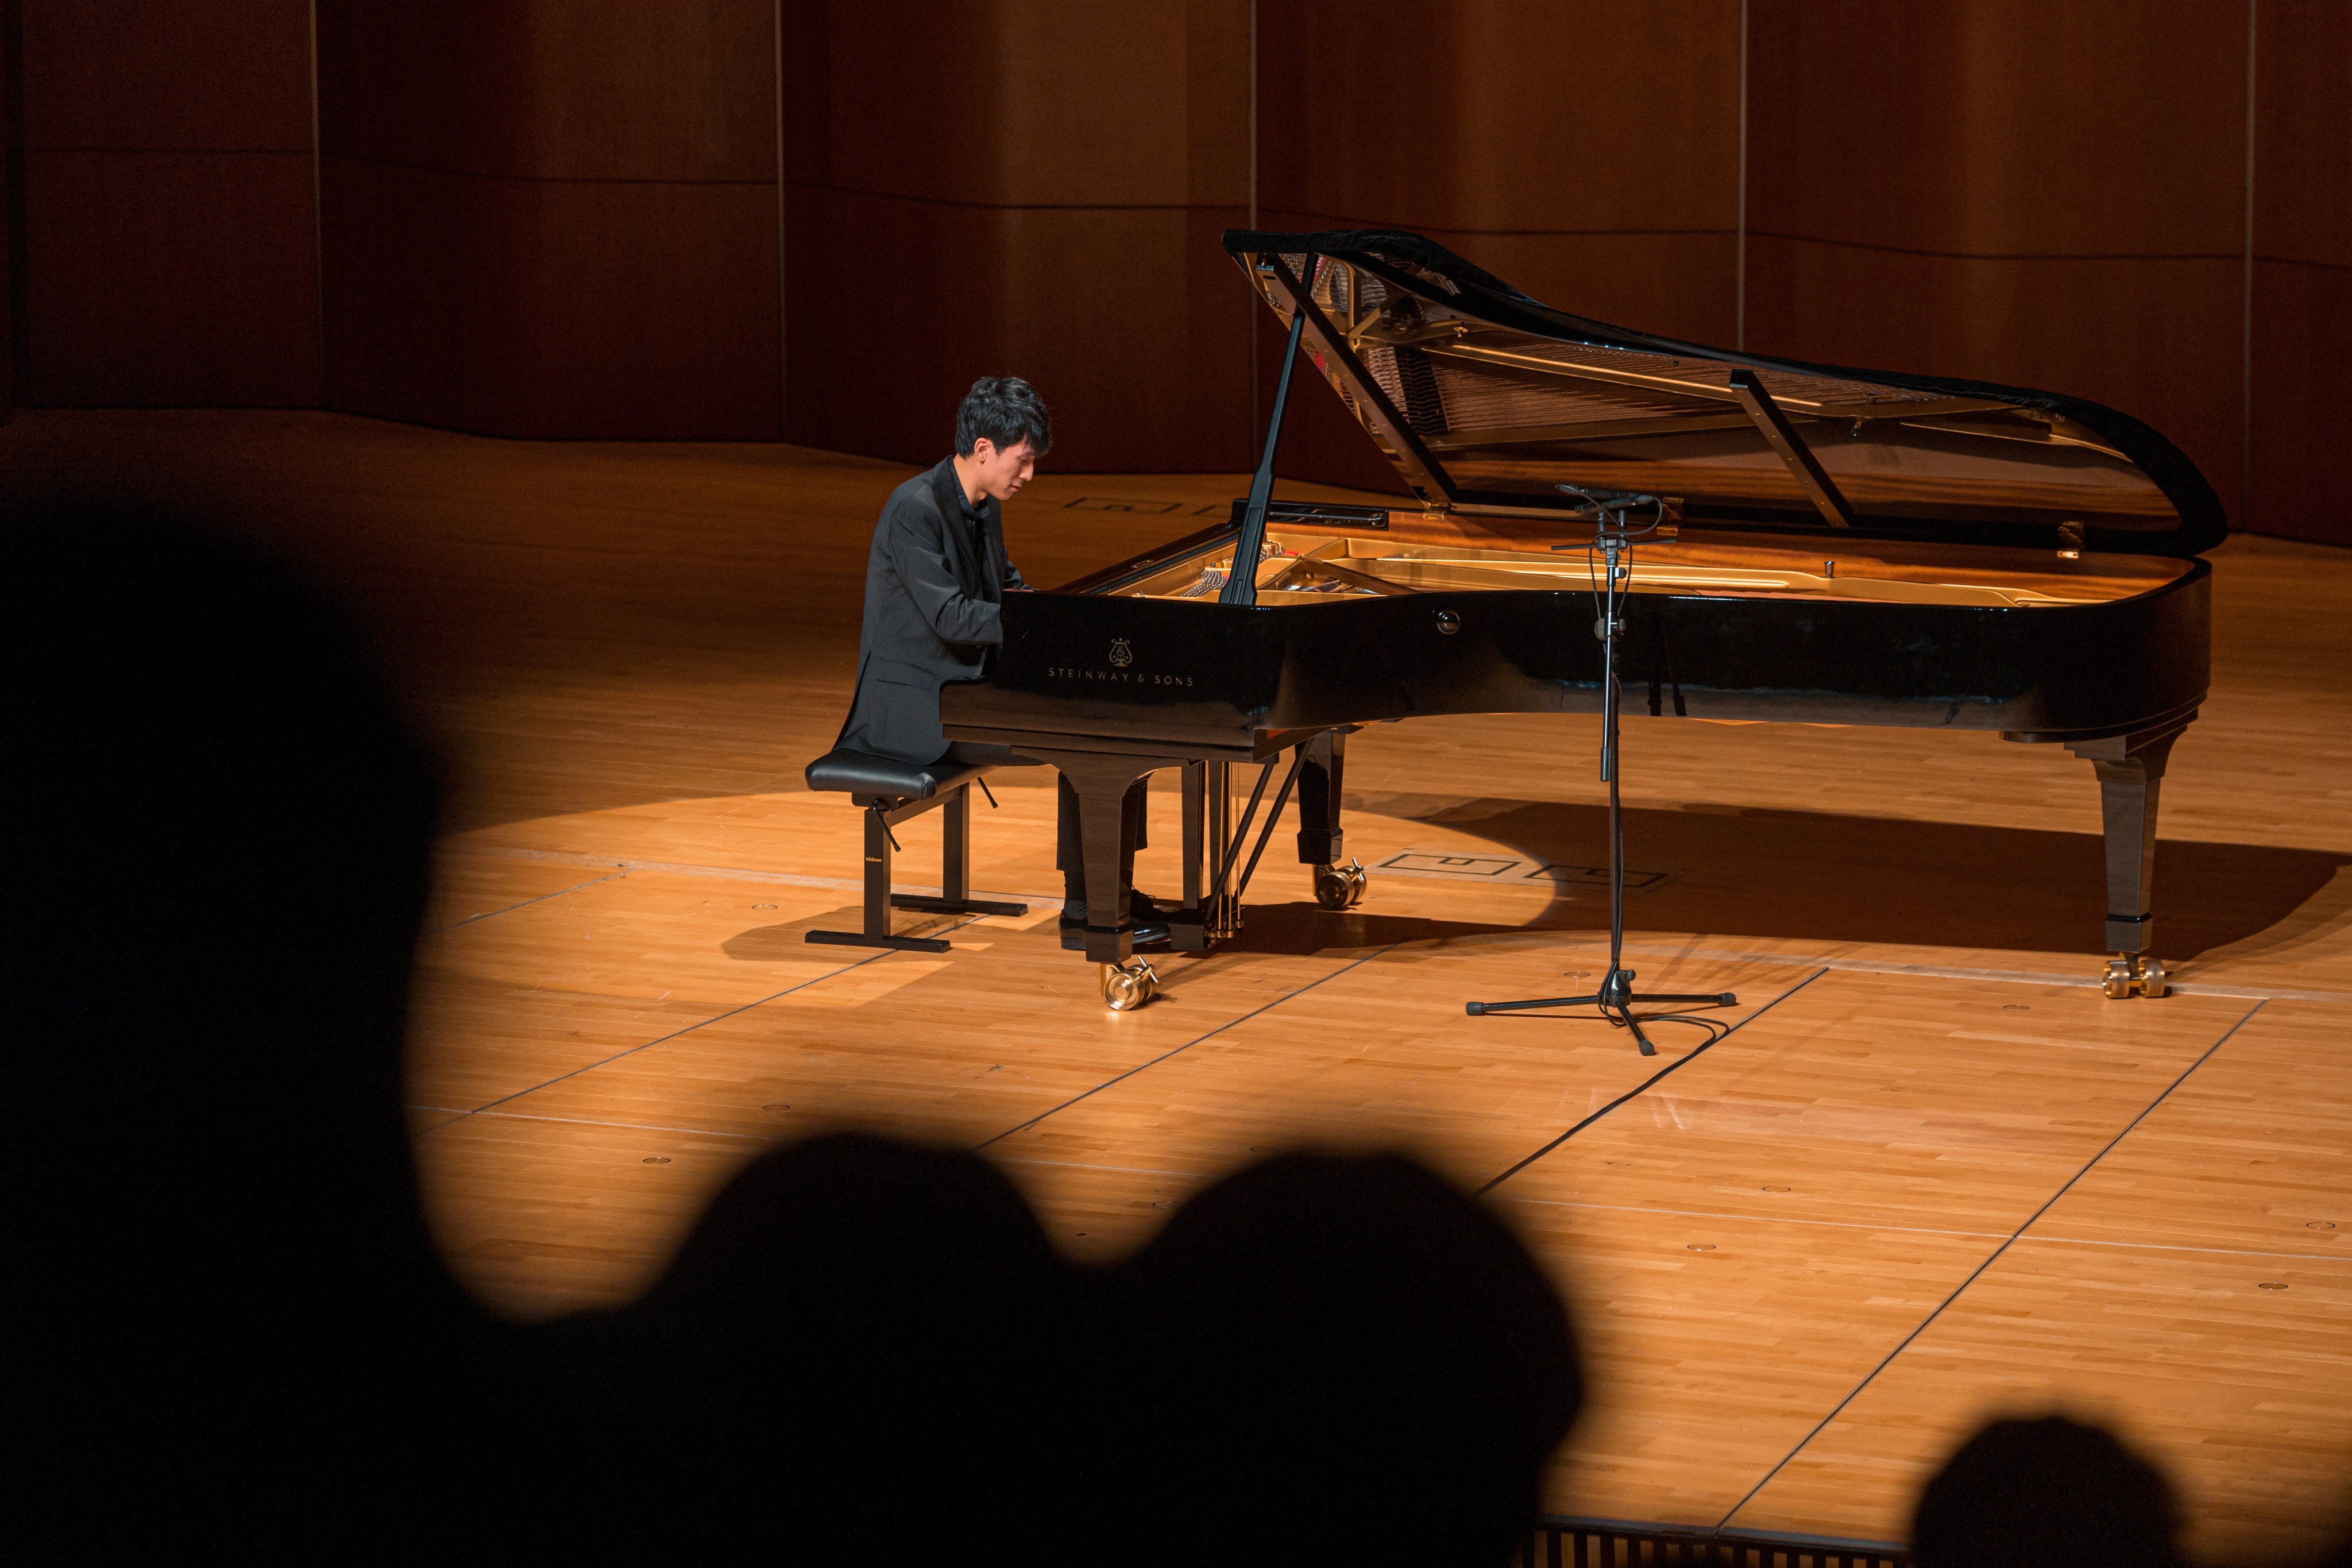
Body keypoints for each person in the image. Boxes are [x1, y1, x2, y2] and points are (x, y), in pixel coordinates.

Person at [832, 375, 1165, 949]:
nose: (1030, 475)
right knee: (1083, 737)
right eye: (1023, 459)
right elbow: (953, 618)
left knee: (1113, 723)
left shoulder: (982, 505)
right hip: (915, 709)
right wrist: (1039, 630)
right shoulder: (914, 509)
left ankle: (1109, 892)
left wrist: (1051, 620)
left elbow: (1005, 588)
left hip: (964, 688)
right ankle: (1088, 907)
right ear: (983, 449)